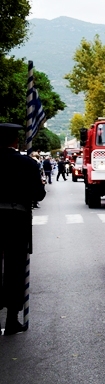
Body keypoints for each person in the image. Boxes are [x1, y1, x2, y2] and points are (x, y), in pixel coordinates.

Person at [0, 124, 46, 335]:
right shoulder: (27, 163)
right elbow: (38, 195)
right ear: (15, 141)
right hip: (17, 220)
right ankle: (11, 319)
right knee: (15, 268)